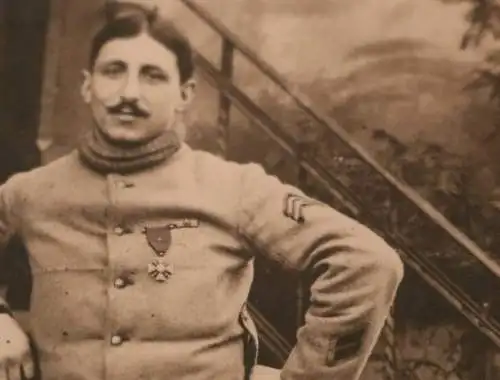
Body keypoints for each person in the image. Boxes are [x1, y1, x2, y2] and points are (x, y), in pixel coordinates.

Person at [0, 2, 404, 380]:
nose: (129, 93)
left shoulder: (235, 188)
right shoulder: (32, 191)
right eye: (113, 71)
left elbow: (366, 262)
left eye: (153, 75)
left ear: (185, 94)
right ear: (87, 86)